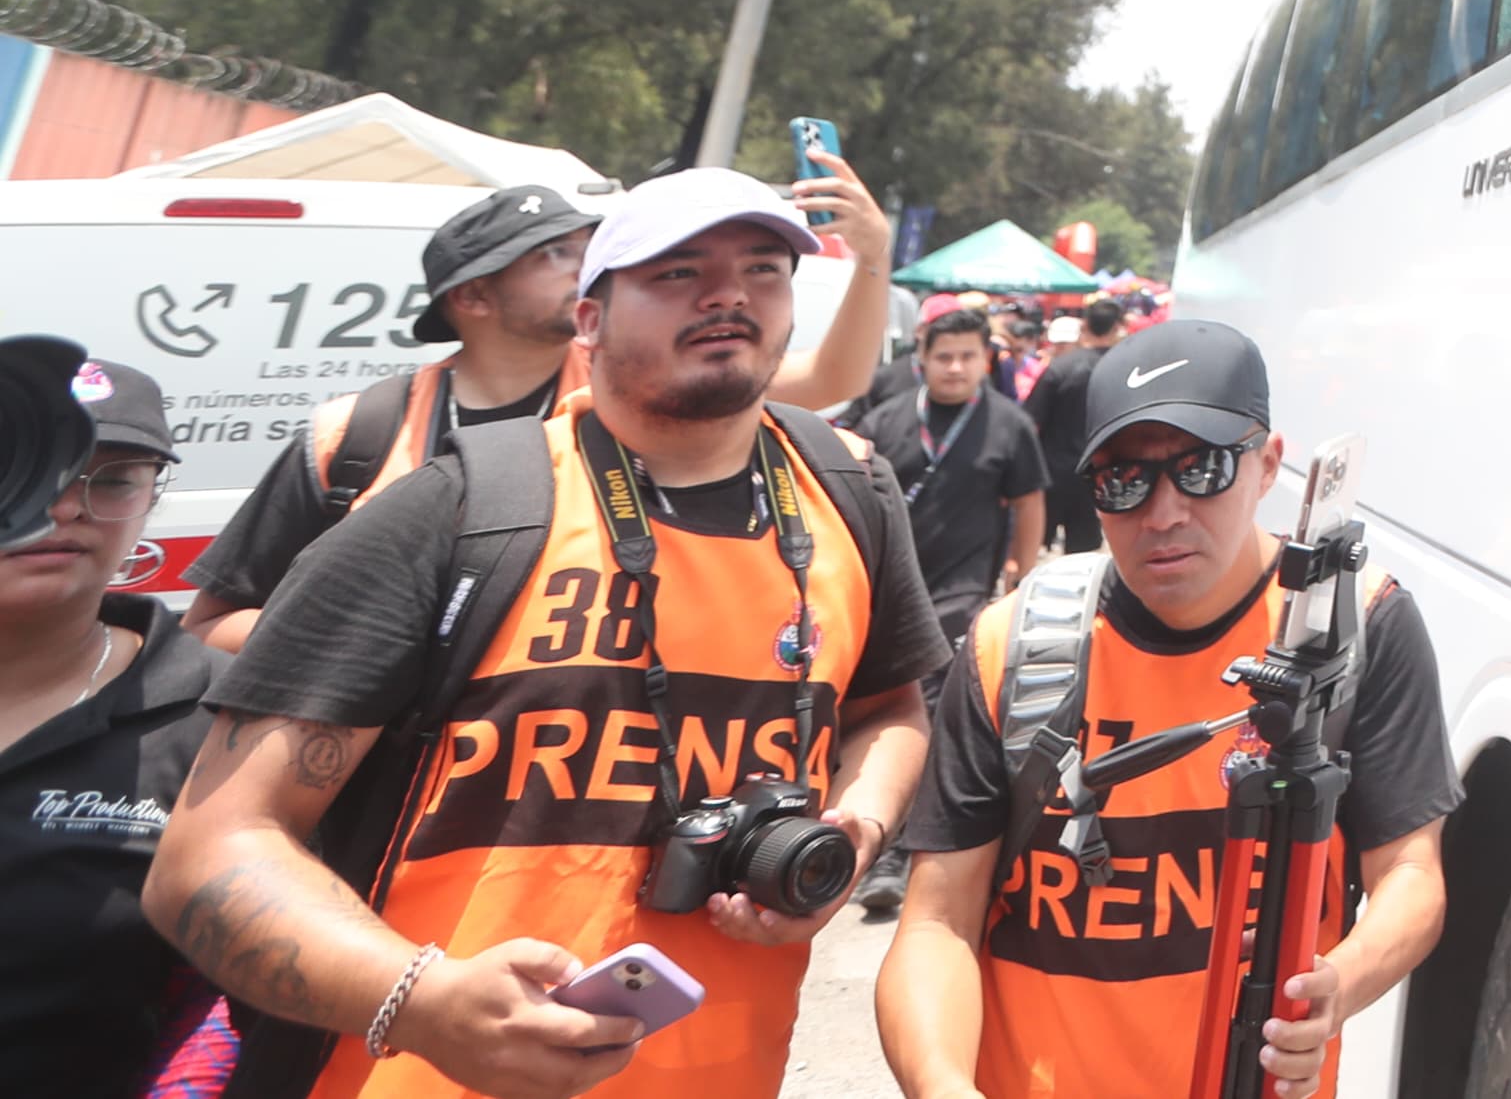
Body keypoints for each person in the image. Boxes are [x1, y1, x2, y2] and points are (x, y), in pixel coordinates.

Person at [146, 168, 953, 1099]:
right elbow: (208, 855)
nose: (729, 292)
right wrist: (423, 1000)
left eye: (764, 268)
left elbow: (890, 710)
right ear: (590, 322)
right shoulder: (453, 512)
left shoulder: (850, 493)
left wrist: (856, 827)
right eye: (677, 270)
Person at [876, 320, 1455, 1099]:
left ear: (1269, 463)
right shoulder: (1010, 644)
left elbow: (1411, 873)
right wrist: (943, 1083)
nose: (1163, 511)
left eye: (1202, 467)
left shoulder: (1355, 629)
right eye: (1124, 479)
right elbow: (937, 920)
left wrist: (1337, 985)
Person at [187, 155, 897, 656]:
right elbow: (208, 627)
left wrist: (872, 257)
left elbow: (833, 376)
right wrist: (389, 641)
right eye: (552, 252)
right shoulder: (356, 435)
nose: (585, 258)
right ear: (472, 296)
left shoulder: (638, 393)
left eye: (585, 244)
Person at [2, 360, 229, 1099]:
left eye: (116, 477)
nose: (67, 505)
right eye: (27, 465)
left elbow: (229, 1004)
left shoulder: (215, 719)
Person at [840, 310, 1045, 921]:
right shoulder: (888, 420)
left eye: (967, 357)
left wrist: (1021, 572)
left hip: (963, 594)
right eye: (943, 356)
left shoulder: (1009, 426)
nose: (955, 368)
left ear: (987, 360)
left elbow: (1029, 500)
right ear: (921, 359)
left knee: (926, 706)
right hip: (888, 590)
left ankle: (899, 855)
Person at [1020, 297, 1127, 556]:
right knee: (1084, 557)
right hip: (1099, 474)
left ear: (1085, 326)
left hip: (1051, 472)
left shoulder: (1060, 367)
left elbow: (1029, 421)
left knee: (1033, 547)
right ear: (1118, 328)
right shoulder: (1127, 370)